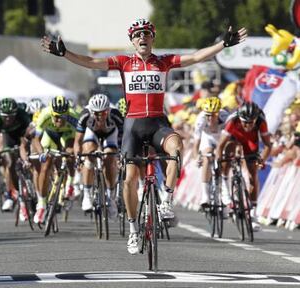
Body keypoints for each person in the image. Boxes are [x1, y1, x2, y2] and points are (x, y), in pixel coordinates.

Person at [41, 18, 247, 254]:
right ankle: (133, 230)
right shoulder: (124, 62)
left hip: (158, 122)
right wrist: (65, 53)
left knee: (176, 148)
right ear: (132, 40)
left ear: (152, 39)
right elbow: (90, 62)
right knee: (129, 179)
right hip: (133, 126)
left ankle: (166, 203)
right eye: (137, 35)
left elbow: (196, 57)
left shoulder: (164, 62)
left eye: (146, 34)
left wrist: (222, 45)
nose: (142, 38)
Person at [215, 102, 272, 231]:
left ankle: (252, 215)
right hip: (234, 136)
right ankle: (225, 184)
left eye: (251, 122)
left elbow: (268, 145)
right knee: (228, 153)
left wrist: (261, 159)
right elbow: (220, 146)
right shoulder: (232, 121)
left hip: (250, 141)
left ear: (256, 119)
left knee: (253, 176)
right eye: (245, 122)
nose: (247, 125)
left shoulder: (261, 122)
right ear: (240, 119)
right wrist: (219, 161)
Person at [74, 94, 123, 216]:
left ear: (108, 110)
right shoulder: (84, 115)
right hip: (92, 133)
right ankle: (87, 195)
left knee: (109, 158)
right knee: (88, 154)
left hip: (110, 134)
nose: (100, 117)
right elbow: (78, 141)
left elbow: (124, 138)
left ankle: (111, 198)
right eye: (96, 114)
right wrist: (78, 157)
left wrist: (120, 156)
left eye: (103, 113)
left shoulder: (115, 115)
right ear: (91, 112)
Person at [32, 96, 79, 224]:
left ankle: (70, 182)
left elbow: (80, 138)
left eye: (63, 117)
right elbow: (35, 138)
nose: (59, 120)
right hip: (50, 134)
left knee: (69, 153)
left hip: (68, 134)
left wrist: (76, 152)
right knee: (46, 164)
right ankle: (41, 205)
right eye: (56, 117)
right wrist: (41, 153)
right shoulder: (45, 114)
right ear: (52, 113)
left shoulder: (74, 116)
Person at [0, 98, 32, 216]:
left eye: (11, 116)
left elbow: (32, 130)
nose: (8, 119)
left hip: (22, 133)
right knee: (10, 162)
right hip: (8, 136)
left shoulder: (22, 115)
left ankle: (32, 184)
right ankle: (11, 194)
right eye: (5, 116)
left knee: (28, 152)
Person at [192, 97, 230, 209]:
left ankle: (225, 192)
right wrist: (196, 158)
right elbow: (196, 143)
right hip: (208, 138)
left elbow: (232, 137)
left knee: (224, 158)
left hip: (221, 137)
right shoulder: (200, 119)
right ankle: (205, 196)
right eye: (207, 114)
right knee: (206, 157)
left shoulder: (225, 117)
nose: (209, 117)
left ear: (218, 113)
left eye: (213, 115)